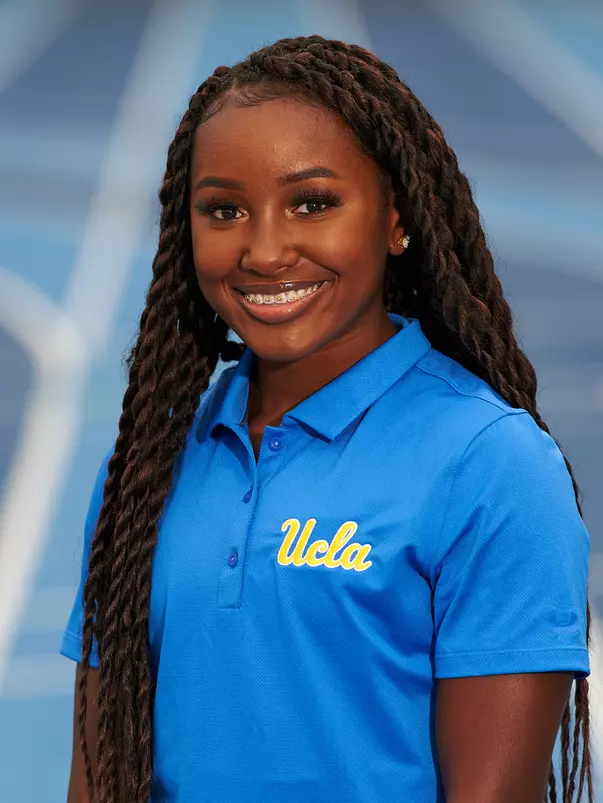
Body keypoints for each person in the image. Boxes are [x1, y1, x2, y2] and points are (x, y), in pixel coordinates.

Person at [61, 35, 593, 803]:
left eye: (312, 203)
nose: (265, 249)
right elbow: (97, 771)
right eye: (224, 210)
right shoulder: (148, 467)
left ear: (396, 218)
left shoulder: (490, 464)